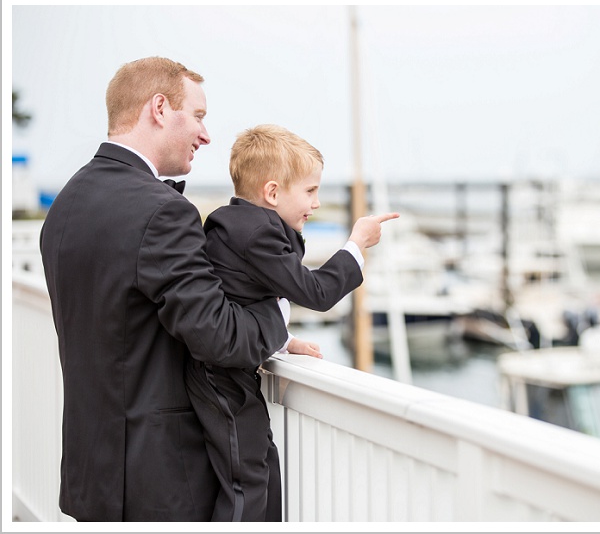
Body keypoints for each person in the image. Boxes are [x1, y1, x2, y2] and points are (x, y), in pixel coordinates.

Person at [38, 57, 291, 521]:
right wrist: (278, 309)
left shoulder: (67, 202)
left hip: (93, 470)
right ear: (159, 108)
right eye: (198, 116)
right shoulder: (162, 211)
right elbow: (222, 339)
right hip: (160, 482)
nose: (206, 134)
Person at [186, 123, 399, 521]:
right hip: (221, 375)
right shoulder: (257, 234)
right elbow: (315, 293)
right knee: (246, 480)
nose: (316, 203)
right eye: (310, 191)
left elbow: (243, 295)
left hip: (223, 371)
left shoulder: (238, 226)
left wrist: (282, 341)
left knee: (259, 467)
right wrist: (355, 246)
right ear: (272, 193)